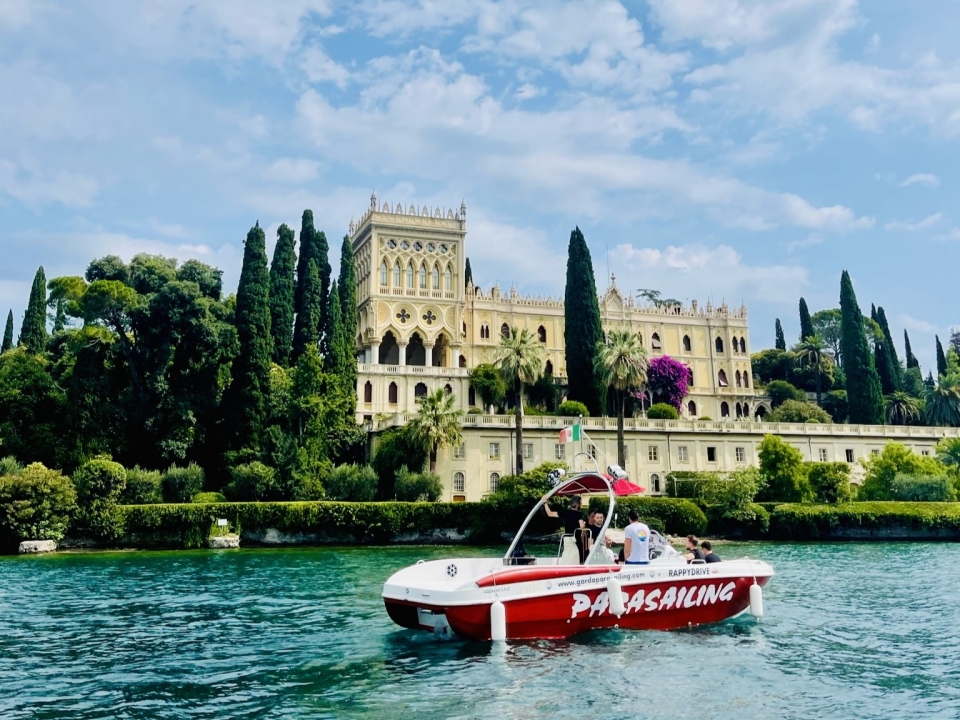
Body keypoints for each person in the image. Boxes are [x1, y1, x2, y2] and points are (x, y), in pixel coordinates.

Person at [543, 494, 586, 562]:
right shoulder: (579, 514)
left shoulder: (565, 512)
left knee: (567, 556)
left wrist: (545, 502)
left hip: (566, 539)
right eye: (580, 502)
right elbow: (582, 526)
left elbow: (549, 513)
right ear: (577, 504)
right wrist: (584, 524)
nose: (581, 504)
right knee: (580, 559)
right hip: (575, 539)